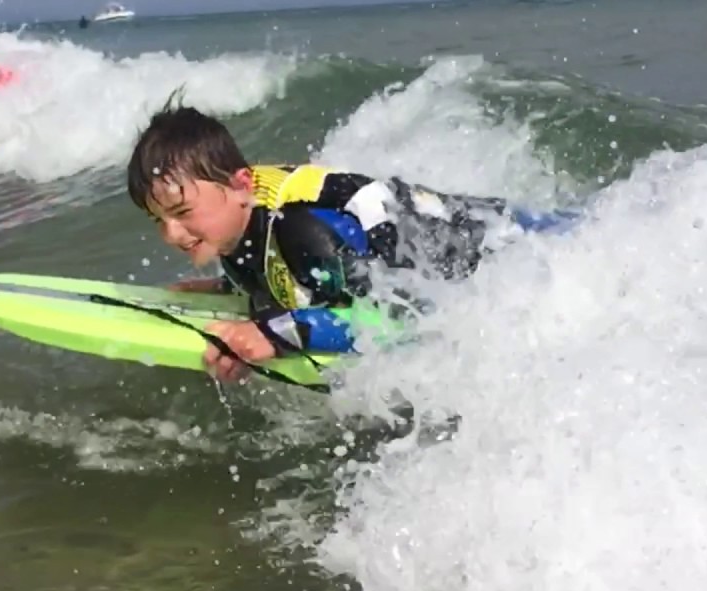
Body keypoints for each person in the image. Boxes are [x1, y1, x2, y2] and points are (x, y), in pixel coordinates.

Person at [125, 101, 578, 383]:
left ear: (242, 184)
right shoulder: (240, 231)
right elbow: (292, 276)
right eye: (157, 220)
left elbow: (393, 319)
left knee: (581, 230)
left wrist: (276, 334)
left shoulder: (302, 228)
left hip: (501, 238)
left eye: (182, 213)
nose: (170, 234)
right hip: (476, 226)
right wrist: (229, 290)